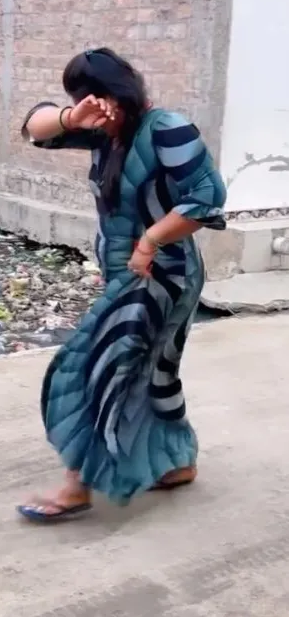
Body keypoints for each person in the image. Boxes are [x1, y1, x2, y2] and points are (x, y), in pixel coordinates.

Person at [17, 47, 226, 522]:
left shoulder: (168, 128)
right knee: (156, 372)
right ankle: (177, 463)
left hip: (163, 275)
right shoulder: (103, 135)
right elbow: (34, 128)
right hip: (126, 273)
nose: (97, 109)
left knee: (94, 367)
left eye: (100, 97)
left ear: (124, 92)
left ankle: (77, 484)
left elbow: (207, 197)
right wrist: (75, 116)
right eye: (82, 98)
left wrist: (151, 240)